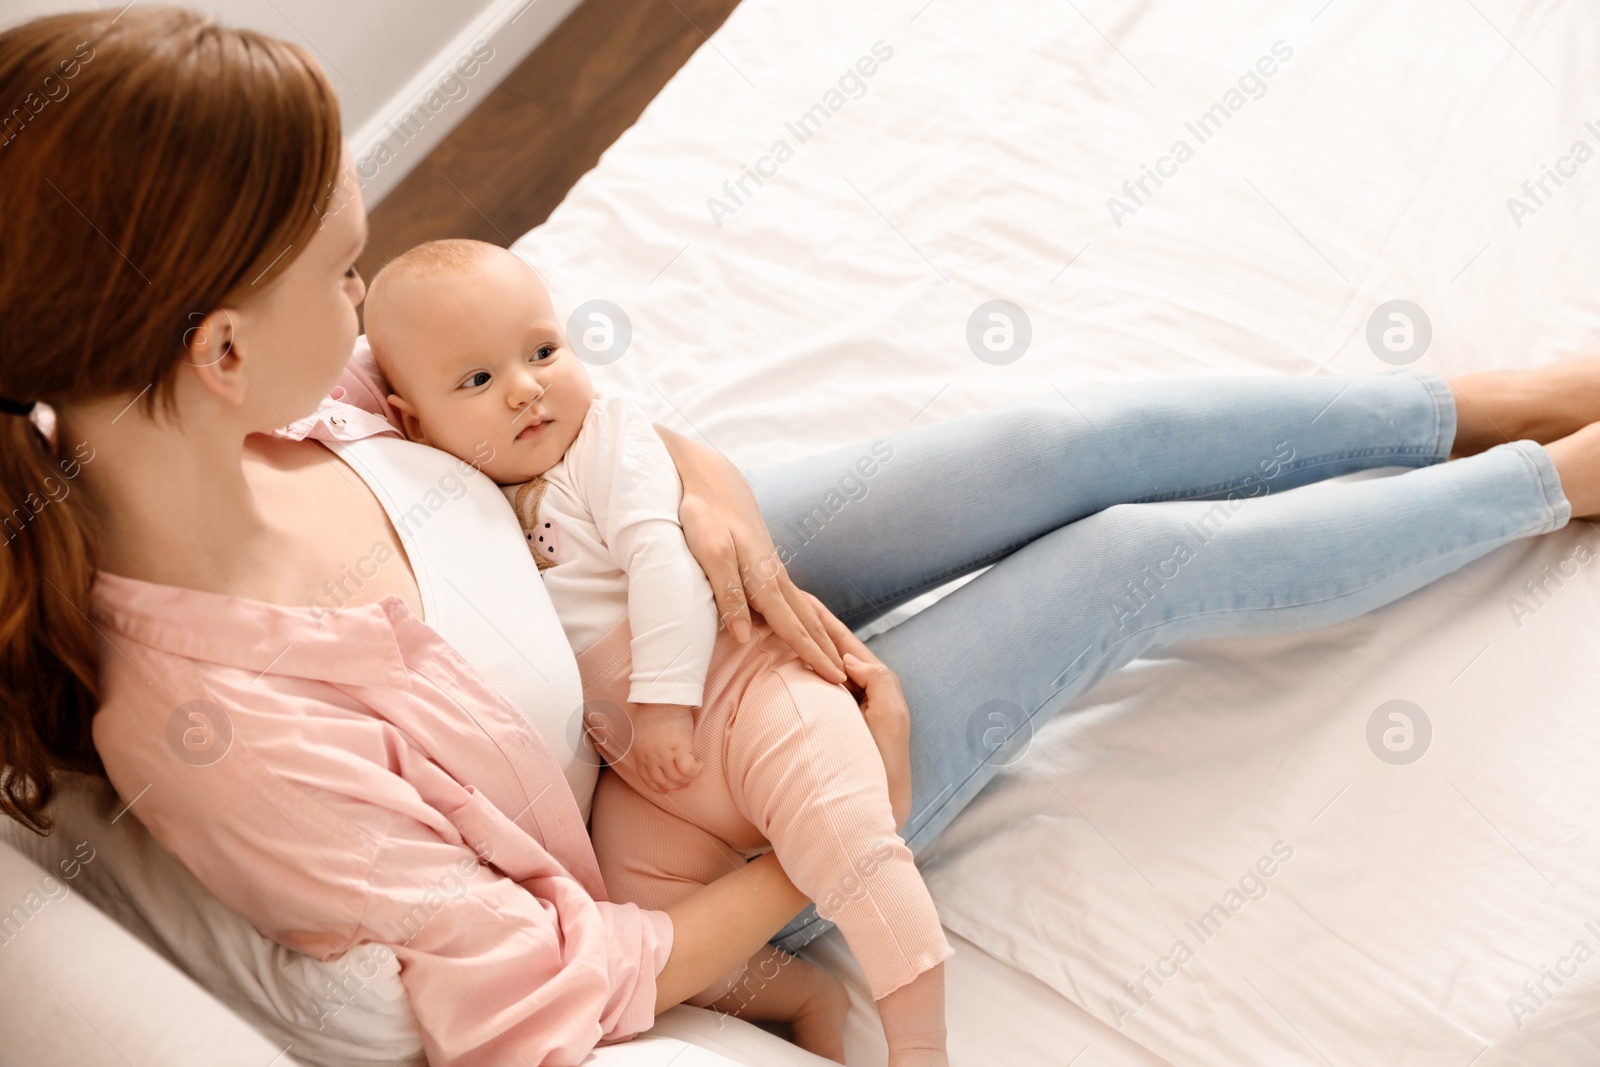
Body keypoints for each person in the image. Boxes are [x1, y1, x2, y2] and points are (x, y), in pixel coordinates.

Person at [5, 7, 1600, 1067]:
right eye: (345, 273)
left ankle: (1473, 404)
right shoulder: (233, 733)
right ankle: (1558, 486)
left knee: (1054, 444)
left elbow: (559, 416)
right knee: (1127, 563)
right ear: (217, 347)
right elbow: (546, 984)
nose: (371, 299)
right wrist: (838, 821)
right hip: (693, 814)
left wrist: (714, 501)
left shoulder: (287, 402)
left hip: (636, 573)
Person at [362, 238, 950, 1064]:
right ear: (414, 421)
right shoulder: (464, 499)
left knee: (853, 837)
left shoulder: (603, 443)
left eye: (542, 351)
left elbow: (664, 565)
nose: (526, 388)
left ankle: (920, 1046)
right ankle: (804, 993)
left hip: (739, 694)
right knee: (648, 922)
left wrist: (667, 706)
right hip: (649, 782)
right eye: (479, 380)